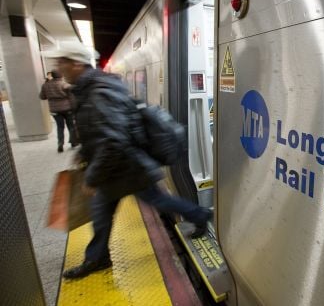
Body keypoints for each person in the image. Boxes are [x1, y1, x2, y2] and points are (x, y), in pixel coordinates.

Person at [43, 43, 211, 279]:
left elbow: (113, 141)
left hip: (128, 169)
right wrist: (84, 153)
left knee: (158, 201)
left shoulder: (99, 92)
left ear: (77, 63)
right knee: (104, 213)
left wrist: (92, 177)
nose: (58, 67)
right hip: (118, 170)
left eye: (61, 62)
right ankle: (97, 258)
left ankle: (200, 215)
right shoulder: (90, 89)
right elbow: (100, 132)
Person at [39, 70, 78, 152]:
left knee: (60, 127)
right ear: (61, 75)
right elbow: (72, 96)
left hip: (55, 110)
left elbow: (42, 97)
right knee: (71, 126)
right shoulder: (64, 84)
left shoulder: (46, 85)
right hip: (67, 109)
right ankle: (73, 142)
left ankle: (60, 143)